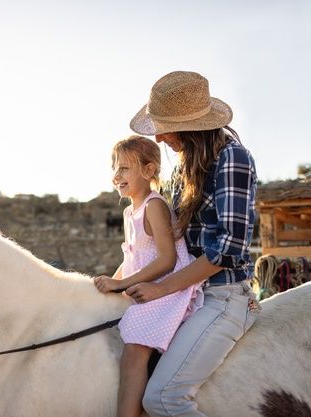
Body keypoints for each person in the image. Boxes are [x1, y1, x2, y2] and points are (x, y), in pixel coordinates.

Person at [127, 70, 260, 417]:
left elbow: (229, 247)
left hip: (219, 295)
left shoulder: (234, 159)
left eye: (164, 125)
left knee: (162, 399)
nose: (157, 136)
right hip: (187, 295)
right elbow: (172, 245)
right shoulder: (183, 169)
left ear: (191, 126)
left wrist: (159, 290)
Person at [93, 135, 202, 417]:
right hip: (144, 284)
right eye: (115, 169)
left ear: (149, 170)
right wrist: (110, 283)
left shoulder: (154, 205)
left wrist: (122, 283)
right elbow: (132, 258)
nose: (116, 175)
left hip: (168, 289)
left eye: (124, 168)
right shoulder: (130, 211)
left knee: (134, 352)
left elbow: (168, 259)